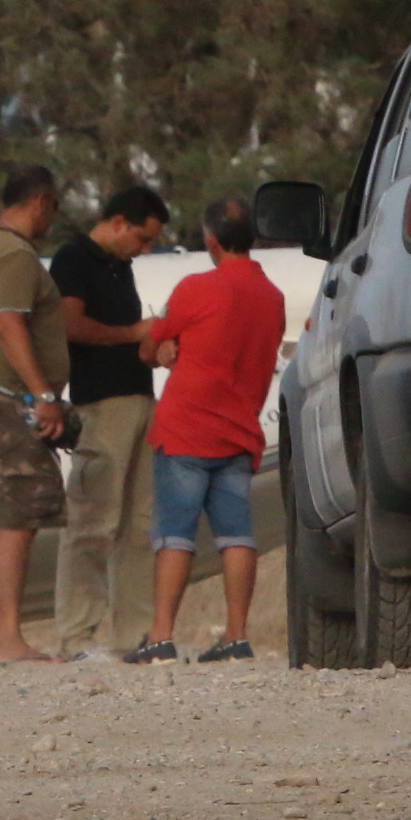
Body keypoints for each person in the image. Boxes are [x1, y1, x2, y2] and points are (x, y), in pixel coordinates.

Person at [122, 195, 286, 664]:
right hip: (239, 429)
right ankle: (236, 635)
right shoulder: (273, 297)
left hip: (187, 428)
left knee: (175, 534)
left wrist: (165, 352)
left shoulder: (195, 288)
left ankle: (161, 636)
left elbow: (148, 348)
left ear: (211, 239)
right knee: (236, 534)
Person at [0, 164, 73, 664]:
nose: (53, 218)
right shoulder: (16, 255)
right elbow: (9, 325)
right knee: (19, 518)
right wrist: (41, 394)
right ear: (40, 202)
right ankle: (7, 638)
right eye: (54, 207)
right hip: (10, 401)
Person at [48, 184, 169, 660]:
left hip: (140, 396)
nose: (146, 249)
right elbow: (69, 325)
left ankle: (134, 634)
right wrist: (132, 333)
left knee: (139, 523)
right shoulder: (74, 259)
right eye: (143, 238)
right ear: (119, 223)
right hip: (99, 403)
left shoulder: (122, 266)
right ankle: (76, 635)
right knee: (92, 522)